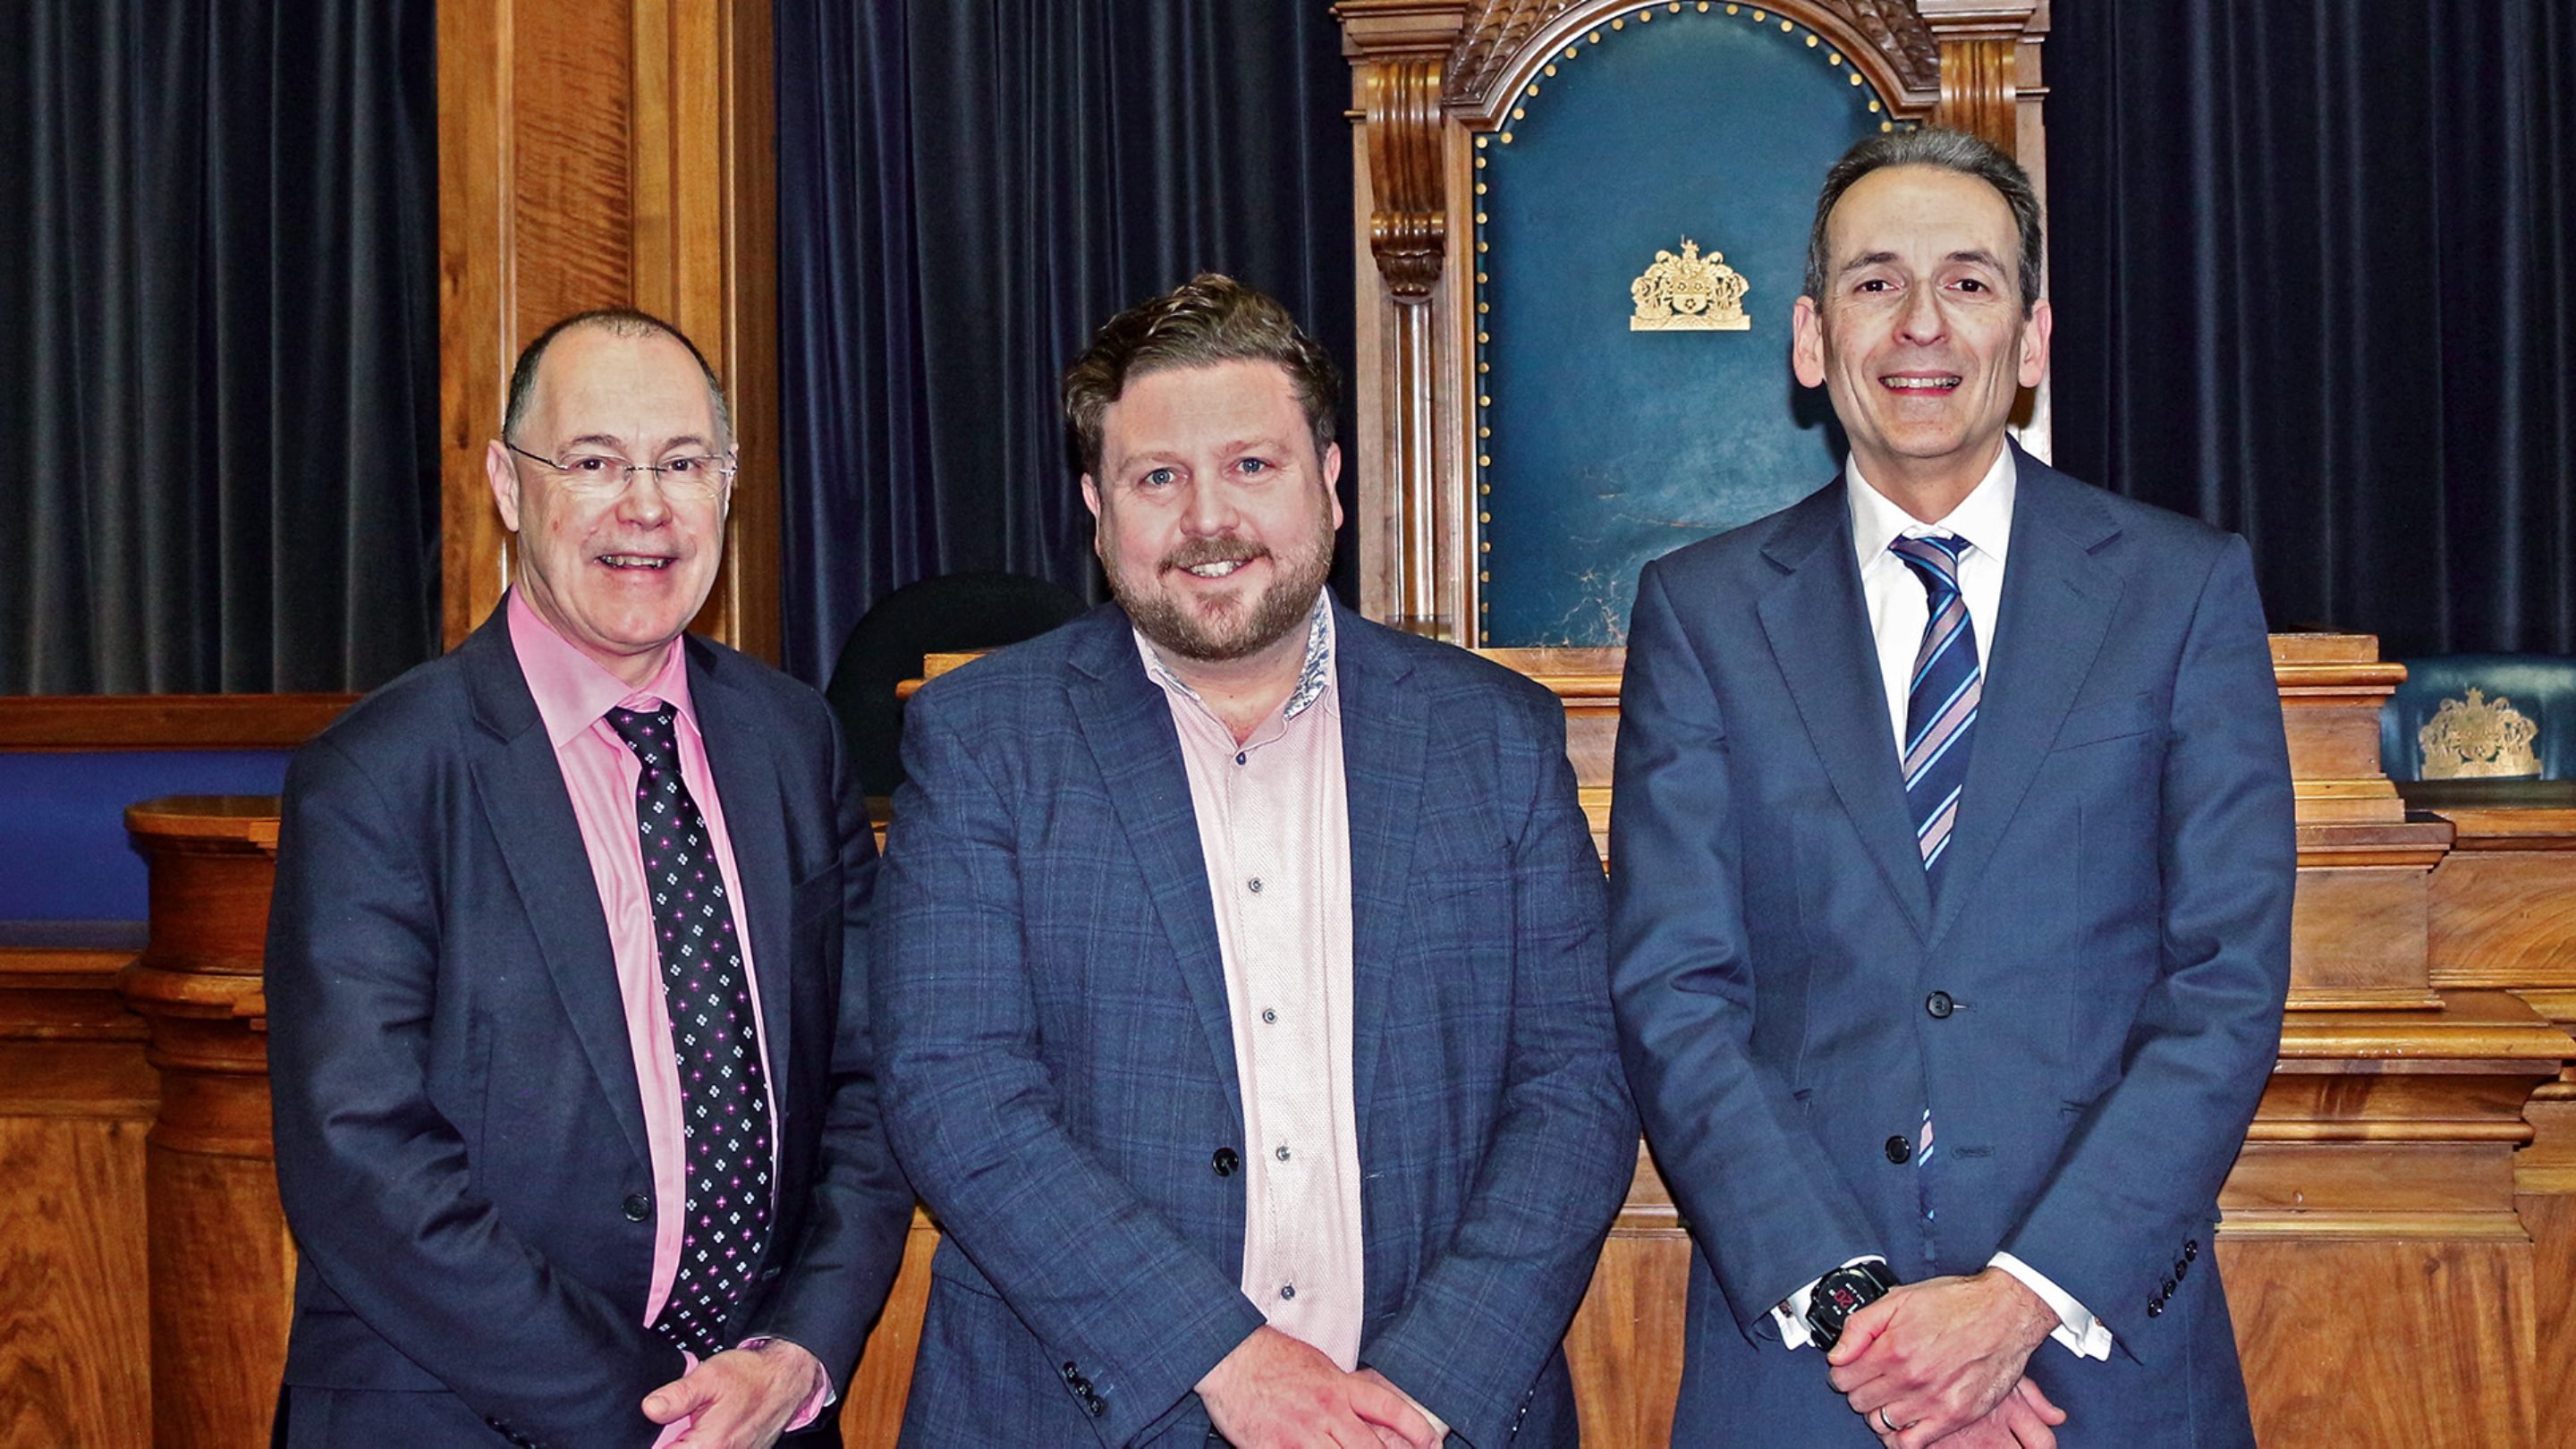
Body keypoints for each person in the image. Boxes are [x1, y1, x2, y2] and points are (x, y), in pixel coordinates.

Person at [1610, 129, 2295, 1448]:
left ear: (2031, 341)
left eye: (1970, 282)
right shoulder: (1699, 616)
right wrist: (1875, 1331)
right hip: (1807, 1372)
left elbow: (2225, 984)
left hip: (2103, 1360)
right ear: (1812, 339)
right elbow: (1674, 996)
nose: (1922, 323)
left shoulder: (2182, 591)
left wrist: (2018, 1303)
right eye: (1876, 282)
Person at [871, 274, 1635, 1447]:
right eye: (1157, 478)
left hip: (1434, 1420)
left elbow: (1577, 1089)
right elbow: (958, 1097)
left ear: (1331, 480)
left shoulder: (1493, 740)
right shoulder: (981, 743)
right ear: (1094, 503)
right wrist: (1222, 1362)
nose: (1207, 518)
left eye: (1252, 465)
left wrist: (1429, 1388)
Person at [266, 309, 914, 1448]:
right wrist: (653, 1412)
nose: (645, 507)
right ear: (508, 487)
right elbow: (359, 1160)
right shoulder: (376, 776)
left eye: (680, 464)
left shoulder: (792, 741)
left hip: (763, 1416)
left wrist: (793, 1356)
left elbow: (865, 1086)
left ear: (728, 488)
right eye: (595, 462)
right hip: (465, 1415)